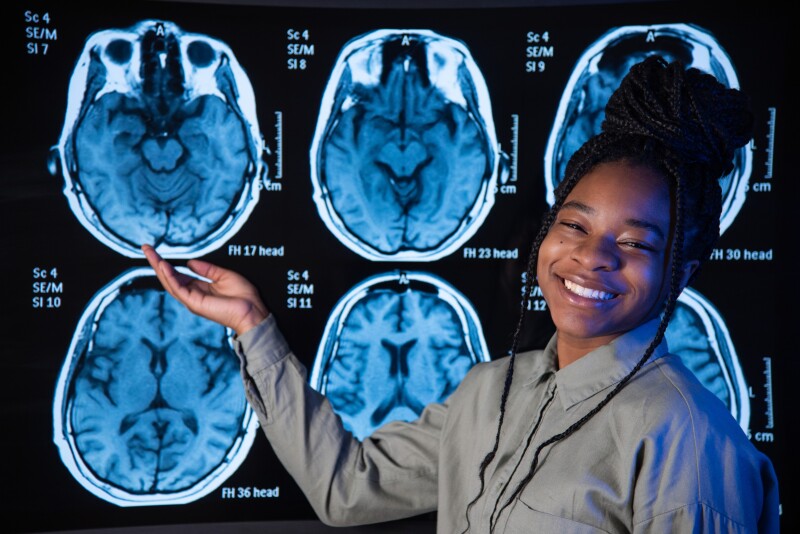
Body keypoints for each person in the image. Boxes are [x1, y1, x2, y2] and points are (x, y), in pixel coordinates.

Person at [142, 55, 779, 533]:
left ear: (684, 270)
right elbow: (346, 489)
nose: (592, 257)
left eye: (637, 243)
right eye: (574, 225)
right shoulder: (487, 393)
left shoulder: (691, 441)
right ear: (545, 235)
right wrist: (253, 326)